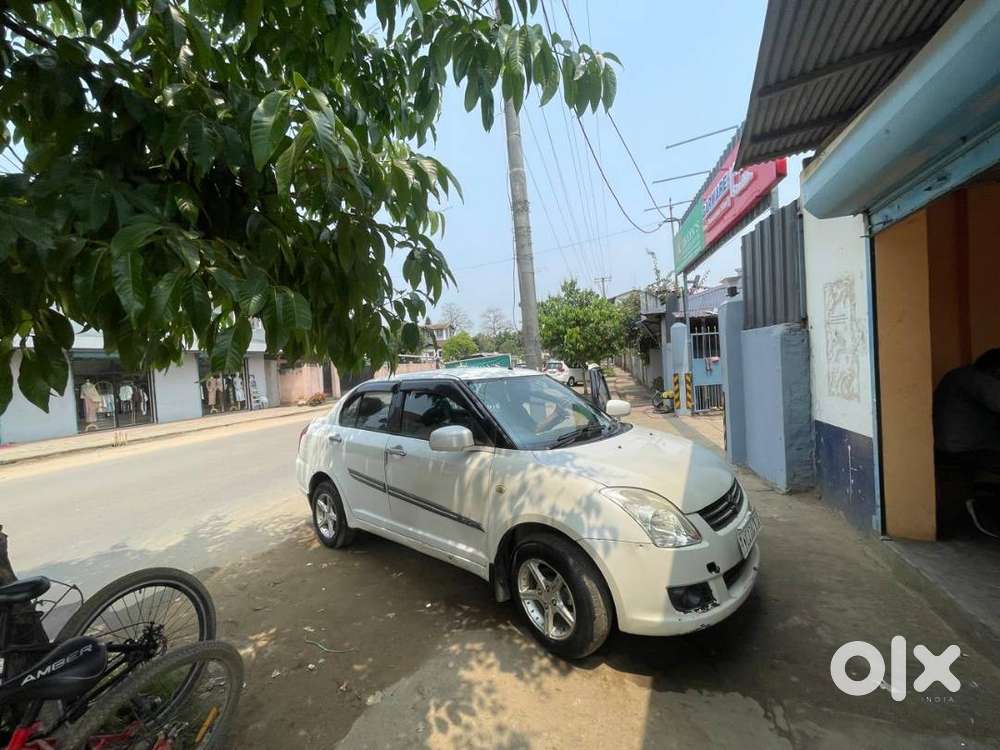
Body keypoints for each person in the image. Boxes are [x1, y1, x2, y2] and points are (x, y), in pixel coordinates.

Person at [934, 348, 1000, 537]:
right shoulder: (977, 379)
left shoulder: (958, 376)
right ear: (995, 369)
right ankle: (985, 506)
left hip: (951, 445)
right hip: (967, 448)